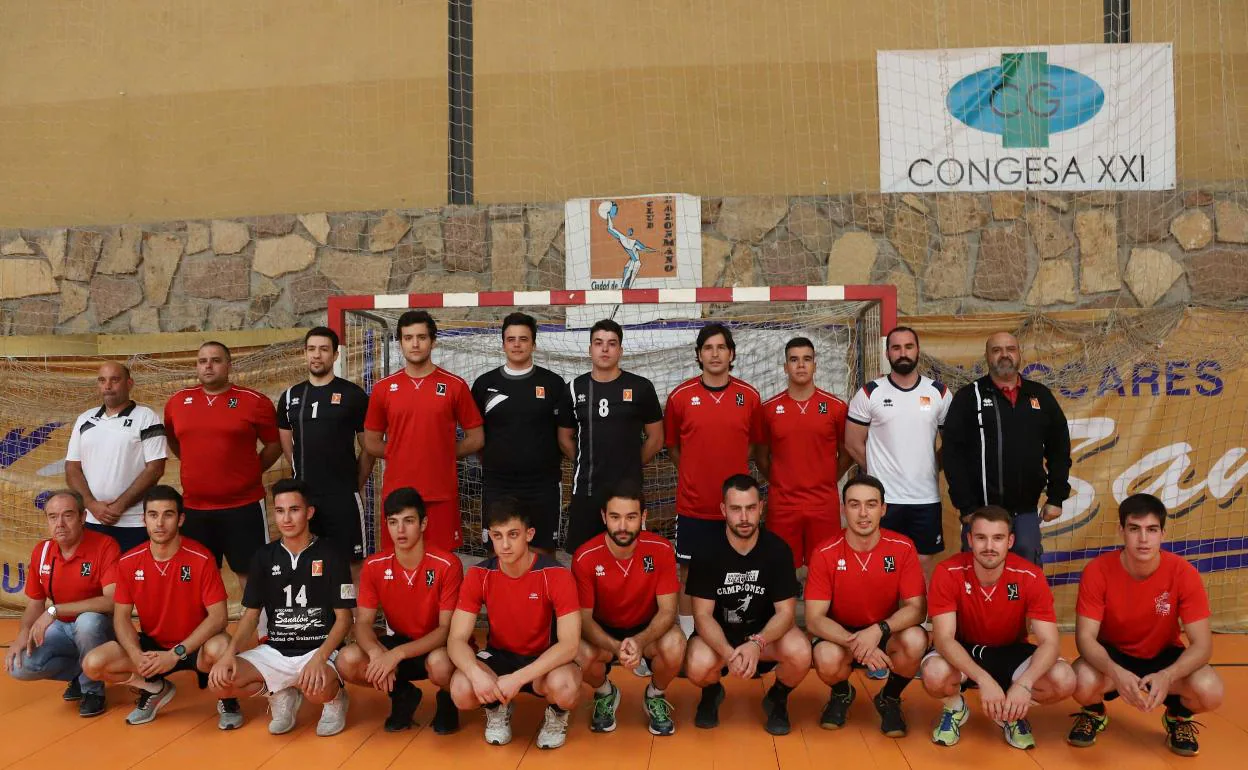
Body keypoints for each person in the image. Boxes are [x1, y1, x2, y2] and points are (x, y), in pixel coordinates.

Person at [1067, 493, 1223, 757]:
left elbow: (1203, 646)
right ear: (1121, 531)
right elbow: (1085, 639)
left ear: (1163, 533)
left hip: (1163, 656)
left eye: (1151, 530)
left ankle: (1178, 718)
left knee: (1211, 690)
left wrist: (1168, 675)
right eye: (1134, 529)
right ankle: (1094, 712)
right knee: (1079, 680)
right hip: (1113, 656)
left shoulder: (1184, 573)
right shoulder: (1097, 570)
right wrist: (1116, 673)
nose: (1143, 539)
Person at [207, 479, 355, 737]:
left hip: (318, 648)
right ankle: (279, 692)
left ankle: (335, 700)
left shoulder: (331, 554)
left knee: (317, 689)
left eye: (294, 509)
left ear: (309, 512)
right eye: (280, 511)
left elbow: (345, 618)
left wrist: (320, 658)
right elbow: (251, 615)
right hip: (276, 650)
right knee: (220, 683)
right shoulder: (263, 557)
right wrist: (230, 653)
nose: (286, 518)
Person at [920, 505, 1075, 750]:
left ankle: (1009, 713)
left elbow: (1050, 642)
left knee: (1064, 680)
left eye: (998, 538)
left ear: (1010, 541)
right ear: (970, 540)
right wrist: (983, 680)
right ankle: (955, 708)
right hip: (965, 648)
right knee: (934, 674)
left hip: (1010, 650)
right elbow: (944, 639)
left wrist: (1024, 685)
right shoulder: (947, 571)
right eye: (981, 538)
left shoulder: (1030, 576)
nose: (989, 547)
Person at [81, 485, 236, 727]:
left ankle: (227, 699)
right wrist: (135, 654)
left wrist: (176, 654)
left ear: (181, 519)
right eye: (153, 515)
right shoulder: (129, 561)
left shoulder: (202, 558)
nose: (160, 523)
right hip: (153, 646)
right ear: (144, 520)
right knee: (94, 663)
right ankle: (154, 688)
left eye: (168, 514)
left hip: (195, 645)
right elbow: (121, 618)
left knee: (222, 646)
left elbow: (219, 618)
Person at [448, 499, 582, 750]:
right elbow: (455, 640)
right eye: (497, 536)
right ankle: (496, 707)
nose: (505, 545)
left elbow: (570, 644)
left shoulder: (556, 575)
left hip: (544, 659)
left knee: (565, 688)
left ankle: (557, 715)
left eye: (513, 535)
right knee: (461, 689)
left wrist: (517, 679)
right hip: (500, 655)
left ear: (529, 534)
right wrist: (477, 675)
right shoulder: (479, 575)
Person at [685, 475, 811, 736]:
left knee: (800, 651)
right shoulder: (706, 550)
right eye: (736, 509)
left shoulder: (777, 550)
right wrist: (729, 653)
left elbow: (786, 614)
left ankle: (778, 697)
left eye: (750, 508)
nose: (744, 517)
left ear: (761, 508)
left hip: (765, 639)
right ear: (723, 510)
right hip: (721, 639)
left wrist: (757, 643)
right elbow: (702, 616)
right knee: (697, 664)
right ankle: (711, 692)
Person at [806, 474, 928, 737]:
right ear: (843, 509)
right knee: (825, 657)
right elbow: (815, 618)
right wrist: (856, 642)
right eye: (854, 504)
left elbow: (917, 608)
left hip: (885, 630)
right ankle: (841, 693)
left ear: (883, 509)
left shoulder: (902, 547)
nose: (863, 513)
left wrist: (878, 630)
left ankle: (890, 697)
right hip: (842, 635)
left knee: (916, 639)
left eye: (871, 504)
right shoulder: (825, 552)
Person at [336, 488, 462, 734]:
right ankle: (402, 694)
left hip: (437, 644)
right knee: (347, 660)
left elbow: (446, 629)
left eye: (409, 521)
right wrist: (375, 653)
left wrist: (397, 655)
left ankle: (448, 701)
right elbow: (362, 623)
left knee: (440, 664)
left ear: (423, 523)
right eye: (393, 522)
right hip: (401, 640)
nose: (400, 530)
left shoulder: (447, 564)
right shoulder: (374, 565)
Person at [664, 323, 762, 637]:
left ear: (731, 353)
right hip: (694, 506)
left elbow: (752, 446)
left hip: (737, 509)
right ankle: (691, 635)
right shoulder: (680, 396)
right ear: (699, 354)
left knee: (739, 573)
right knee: (690, 573)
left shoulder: (749, 396)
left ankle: (733, 632)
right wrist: (695, 472)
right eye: (708, 348)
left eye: (721, 347)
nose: (715, 354)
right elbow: (673, 448)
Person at [942, 331, 1071, 566]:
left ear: (1019, 354)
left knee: (1026, 580)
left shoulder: (1039, 395)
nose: (1004, 355)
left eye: (1010, 349)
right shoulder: (969, 397)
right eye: (997, 350)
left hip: (1025, 513)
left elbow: (1059, 447)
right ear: (987, 356)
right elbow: (952, 454)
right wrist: (967, 507)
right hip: (981, 512)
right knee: (979, 580)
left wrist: (1056, 497)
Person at [164, 341, 282, 589]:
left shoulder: (254, 402)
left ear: (228, 365)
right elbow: (175, 442)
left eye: (215, 360)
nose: (208, 366)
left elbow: (274, 444)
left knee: (252, 576)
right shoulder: (177, 402)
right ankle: (206, 629)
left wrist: (251, 470)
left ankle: (261, 629)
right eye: (202, 361)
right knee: (197, 579)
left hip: (243, 506)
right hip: (195, 508)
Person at [364, 310, 484, 552]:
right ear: (400, 342)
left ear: (433, 341)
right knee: (399, 565)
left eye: (421, 337)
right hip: (398, 495)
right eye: (408, 338)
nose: (415, 344)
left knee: (442, 564)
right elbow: (371, 442)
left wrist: (440, 452)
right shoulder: (383, 389)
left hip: (440, 493)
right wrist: (403, 452)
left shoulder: (455, 385)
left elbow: (476, 438)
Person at [572, 481, 685, 736]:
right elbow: (584, 620)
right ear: (604, 517)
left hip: (647, 629)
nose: (622, 526)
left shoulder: (661, 549)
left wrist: (639, 640)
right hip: (604, 632)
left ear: (643, 517)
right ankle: (605, 693)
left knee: (676, 643)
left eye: (631, 517)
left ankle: (655, 694)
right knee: (576, 647)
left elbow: (668, 611)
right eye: (615, 517)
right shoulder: (585, 556)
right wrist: (616, 647)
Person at [845, 327, 951, 580]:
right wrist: (876, 476)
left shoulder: (940, 393)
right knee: (884, 565)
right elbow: (852, 443)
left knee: (922, 564)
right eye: (896, 348)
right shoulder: (870, 392)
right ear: (887, 353)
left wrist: (929, 467)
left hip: (925, 497)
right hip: (884, 500)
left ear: (917, 351)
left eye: (908, 347)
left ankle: (921, 620)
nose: (903, 353)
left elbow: (953, 446)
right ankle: (882, 620)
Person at [6, 490, 119, 717]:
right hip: (61, 627)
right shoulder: (43, 550)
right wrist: (23, 633)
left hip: (102, 631)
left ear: (82, 517)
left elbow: (112, 602)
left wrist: (55, 610)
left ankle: (93, 691)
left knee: (88, 623)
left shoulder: (104, 545)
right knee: (18, 666)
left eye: (67, 515)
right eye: (52, 516)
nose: (60, 524)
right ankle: (82, 673)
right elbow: (36, 602)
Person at [558, 319, 664, 553]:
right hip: (586, 488)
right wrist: (585, 461)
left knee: (627, 555)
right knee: (583, 557)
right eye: (598, 343)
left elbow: (656, 439)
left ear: (621, 350)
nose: (605, 349)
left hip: (627, 490)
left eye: (611, 344)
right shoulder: (574, 388)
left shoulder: (641, 387)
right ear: (590, 349)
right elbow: (564, 437)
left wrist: (630, 464)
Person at [471, 312, 571, 555]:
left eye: (523, 339)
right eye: (511, 339)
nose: (517, 344)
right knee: (499, 551)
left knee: (542, 553)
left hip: (542, 485)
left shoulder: (554, 384)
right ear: (503, 343)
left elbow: (564, 435)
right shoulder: (484, 384)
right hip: (498, 483)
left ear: (534, 344)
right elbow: (477, 437)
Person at [277, 327, 372, 572]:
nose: (316, 355)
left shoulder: (354, 395)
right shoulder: (290, 397)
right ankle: (316, 612)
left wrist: (354, 483)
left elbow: (369, 447)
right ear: (304, 354)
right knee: (307, 564)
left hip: (342, 496)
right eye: (311, 349)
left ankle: (352, 612)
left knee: (352, 564)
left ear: (335, 355)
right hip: (305, 497)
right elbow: (288, 447)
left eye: (323, 349)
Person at [756, 337, 850, 569]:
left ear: (815, 365)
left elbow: (847, 453)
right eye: (794, 360)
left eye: (807, 359)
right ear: (785, 366)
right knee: (781, 569)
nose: (800, 365)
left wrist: (827, 479)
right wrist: (781, 481)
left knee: (826, 568)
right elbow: (760, 457)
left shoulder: (836, 407)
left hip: (823, 504)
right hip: (783, 505)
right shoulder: (768, 410)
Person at [65, 361, 167, 552]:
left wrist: (119, 506)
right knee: (95, 581)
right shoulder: (84, 419)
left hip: (133, 522)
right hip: (92, 520)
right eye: (102, 380)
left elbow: (155, 469)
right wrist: (91, 504)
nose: (108, 386)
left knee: (132, 580)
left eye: (115, 380)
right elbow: (72, 468)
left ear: (129, 384)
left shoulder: (146, 417)